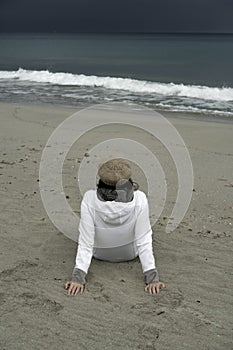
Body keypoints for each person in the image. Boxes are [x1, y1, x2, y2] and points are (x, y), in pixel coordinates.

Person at [65, 158, 165, 296]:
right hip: (130, 254)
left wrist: (78, 277)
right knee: (144, 232)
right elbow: (144, 240)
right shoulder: (140, 199)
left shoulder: (89, 198)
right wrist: (152, 277)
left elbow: (86, 242)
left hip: (98, 253)